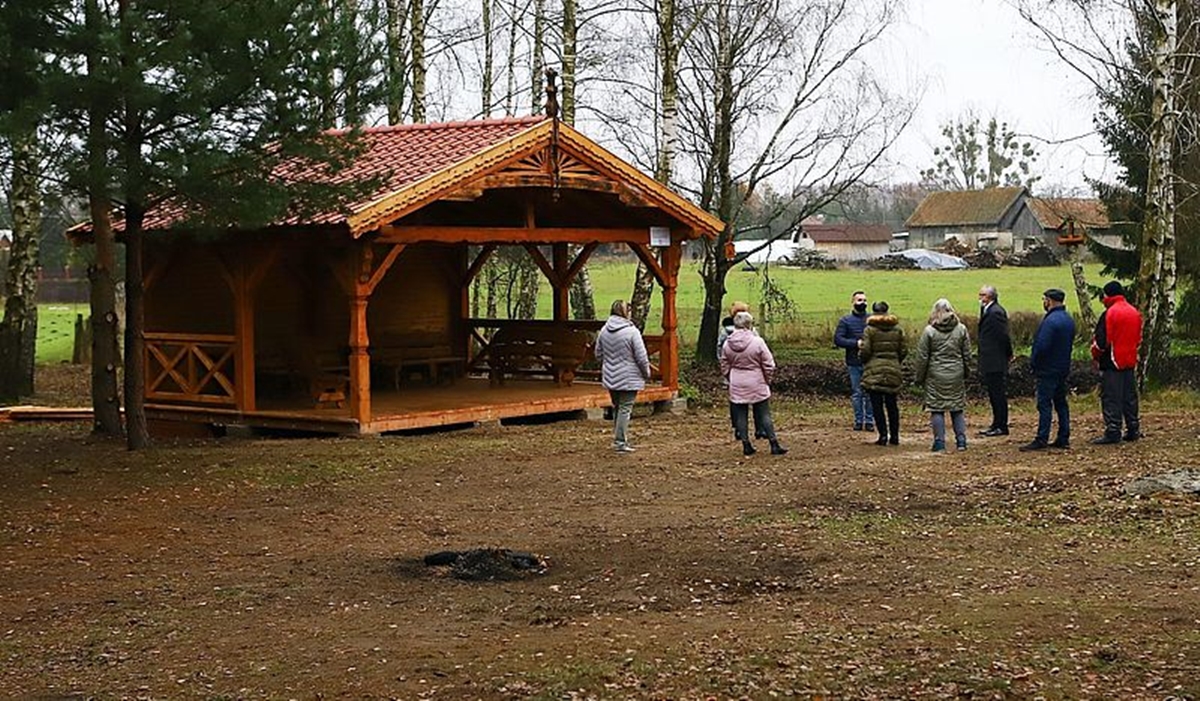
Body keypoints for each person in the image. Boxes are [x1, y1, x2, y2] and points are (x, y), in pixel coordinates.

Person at [720, 311, 787, 456]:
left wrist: (730, 377)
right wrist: (767, 379)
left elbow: (724, 363)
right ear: (749, 324)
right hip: (756, 380)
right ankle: (773, 443)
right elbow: (769, 364)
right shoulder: (757, 342)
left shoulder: (727, 344)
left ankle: (746, 444)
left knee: (741, 414)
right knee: (764, 413)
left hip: (737, 381)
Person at [1020, 289, 1076, 452]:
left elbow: (1042, 346)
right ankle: (1063, 436)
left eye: (1044, 299)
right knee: (1061, 403)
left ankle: (1042, 437)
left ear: (1049, 301)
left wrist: (1034, 362)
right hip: (1062, 367)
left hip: (1047, 369)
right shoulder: (1068, 320)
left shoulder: (1050, 322)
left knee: (1044, 404)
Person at [914, 298, 972, 452]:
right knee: (957, 408)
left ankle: (939, 442)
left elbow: (922, 357)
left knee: (936, 408)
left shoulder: (929, 331)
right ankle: (961, 441)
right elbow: (967, 354)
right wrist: (966, 372)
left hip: (935, 375)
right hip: (956, 373)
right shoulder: (961, 329)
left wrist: (919, 377)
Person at [594, 299, 651, 453]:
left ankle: (618, 439)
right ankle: (620, 442)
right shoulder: (632, 332)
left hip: (610, 376)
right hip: (629, 376)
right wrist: (646, 373)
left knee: (618, 407)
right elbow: (641, 357)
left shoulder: (604, 330)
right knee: (625, 409)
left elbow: (598, 354)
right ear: (625, 313)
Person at [1089, 281, 1142, 444]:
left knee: (1111, 396)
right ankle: (1133, 428)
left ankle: (1113, 430)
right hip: (1129, 360)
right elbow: (1139, 338)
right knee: (1129, 396)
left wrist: (1095, 354)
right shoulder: (1134, 312)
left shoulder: (1109, 313)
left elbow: (1101, 342)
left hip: (1112, 361)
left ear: (1108, 295)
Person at [859, 300, 906, 446]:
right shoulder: (897, 330)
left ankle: (883, 435)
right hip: (893, 369)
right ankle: (895, 436)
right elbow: (903, 350)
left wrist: (863, 358)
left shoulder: (869, 330)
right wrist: (895, 361)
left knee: (877, 405)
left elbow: (866, 351)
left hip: (874, 370)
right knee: (892, 404)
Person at [718, 301, 763, 439]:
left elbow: (720, 352)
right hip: (752, 373)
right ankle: (760, 428)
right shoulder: (753, 332)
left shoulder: (725, 332)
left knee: (736, 401)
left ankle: (738, 428)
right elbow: (761, 351)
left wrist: (726, 371)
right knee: (757, 401)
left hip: (733, 373)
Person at [976, 285, 1013, 436]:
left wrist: (1008, 354)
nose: (980, 298)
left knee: (997, 393)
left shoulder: (995, 313)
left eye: (983, 295)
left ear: (990, 296)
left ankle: (1001, 425)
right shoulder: (987, 310)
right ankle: (996, 423)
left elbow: (1003, 336)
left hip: (995, 359)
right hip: (990, 358)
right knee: (993, 393)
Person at [834, 290, 873, 431]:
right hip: (853, 362)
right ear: (853, 302)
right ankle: (858, 420)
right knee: (857, 393)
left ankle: (869, 421)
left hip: (870, 362)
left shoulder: (872, 319)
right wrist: (855, 343)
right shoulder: (845, 321)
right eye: (859, 300)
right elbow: (838, 339)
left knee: (870, 393)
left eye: (864, 300)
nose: (863, 303)